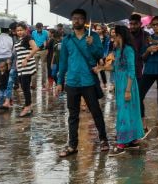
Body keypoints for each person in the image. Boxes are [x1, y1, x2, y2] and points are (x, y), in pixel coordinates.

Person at [56, 9, 110, 157]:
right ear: (71, 20)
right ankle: (72, 145)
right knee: (72, 115)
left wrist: (92, 45)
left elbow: (100, 55)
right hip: (72, 81)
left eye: (80, 18)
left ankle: (104, 139)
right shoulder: (67, 39)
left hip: (88, 81)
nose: (77, 21)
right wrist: (60, 81)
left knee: (96, 112)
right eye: (74, 18)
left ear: (85, 21)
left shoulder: (93, 36)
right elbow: (63, 62)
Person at [105, 24, 145, 155]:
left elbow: (131, 71)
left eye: (114, 36)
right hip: (120, 84)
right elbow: (115, 68)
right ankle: (132, 140)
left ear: (120, 36)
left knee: (125, 112)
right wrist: (101, 68)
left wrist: (128, 90)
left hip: (128, 85)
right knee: (125, 111)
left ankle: (122, 142)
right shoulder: (117, 51)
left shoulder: (128, 50)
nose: (113, 38)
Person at [14, 23, 39, 118]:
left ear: (25, 30)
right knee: (24, 87)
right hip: (21, 66)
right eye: (18, 30)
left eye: (21, 30)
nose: (19, 32)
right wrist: (17, 62)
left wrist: (26, 58)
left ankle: (27, 107)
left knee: (25, 87)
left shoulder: (28, 38)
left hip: (27, 66)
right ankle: (28, 105)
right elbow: (19, 53)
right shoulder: (19, 40)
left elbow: (35, 48)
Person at [31, 22, 49, 87]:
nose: (39, 30)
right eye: (38, 28)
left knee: (43, 68)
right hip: (36, 50)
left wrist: (46, 46)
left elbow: (47, 41)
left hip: (43, 51)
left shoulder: (46, 32)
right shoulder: (33, 33)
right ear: (36, 28)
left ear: (42, 27)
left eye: (40, 28)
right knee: (34, 67)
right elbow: (32, 40)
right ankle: (33, 84)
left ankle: (43, 83)